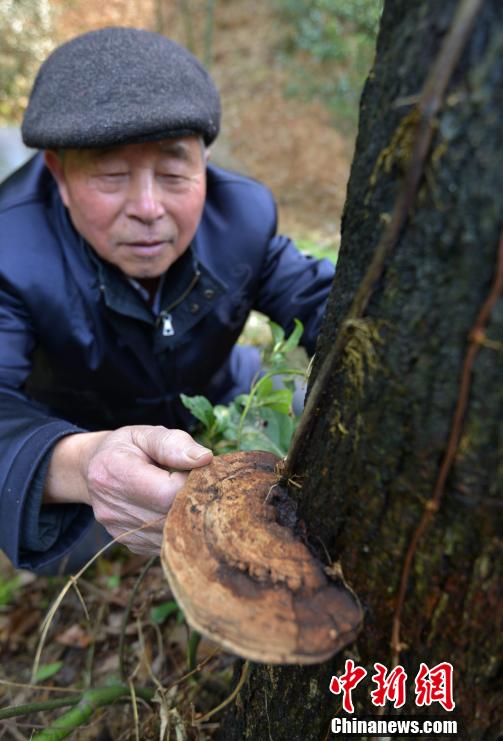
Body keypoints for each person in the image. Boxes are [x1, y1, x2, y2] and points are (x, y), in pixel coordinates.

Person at [0, 27, 335, 572]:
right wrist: (80, 465)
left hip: (220, 391)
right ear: (57, 174)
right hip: (84, 437)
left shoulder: (242, 217)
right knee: (79, 560)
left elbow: (325, 301)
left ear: (204, 164)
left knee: (295, 399)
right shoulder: (9, 249)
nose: (149, 207)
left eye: (175, 170)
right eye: (112, 174)